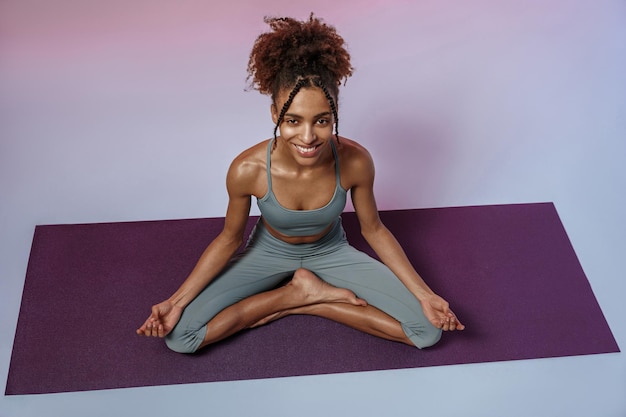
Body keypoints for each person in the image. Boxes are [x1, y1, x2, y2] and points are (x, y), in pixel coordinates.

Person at [136, 14, 464, 354]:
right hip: (267, 252)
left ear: (334, 114)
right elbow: (228, 238)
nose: (308, 137)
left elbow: (375, 230)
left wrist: (426, 295)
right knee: (182, 338)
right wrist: (176, 302)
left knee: (426, 331)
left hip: (331, 251)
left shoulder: (356, 161)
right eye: (292, 121)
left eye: (322, 121)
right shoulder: (246, 169)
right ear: (274, 113)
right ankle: (292, 294)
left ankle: (310, 299)